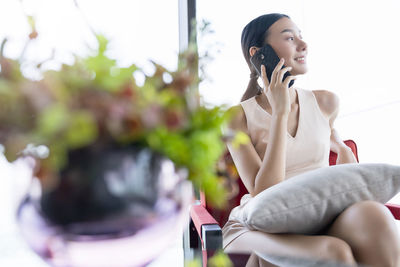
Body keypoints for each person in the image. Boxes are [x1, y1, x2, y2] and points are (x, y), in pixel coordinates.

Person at [222, 13, 400, 267]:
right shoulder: (237, 117)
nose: (303, 45)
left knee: (375, 216)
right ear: (258, 53)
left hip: (319, 212)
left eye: (301, 37)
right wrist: (280, 113)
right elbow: (263, 193)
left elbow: (338, 171)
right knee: (333, 253)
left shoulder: (325, 102)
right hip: (260, 227)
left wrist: (342, 152)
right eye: (290, 38)